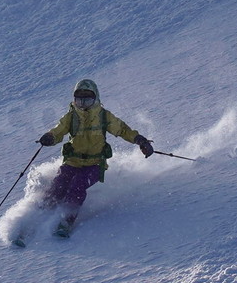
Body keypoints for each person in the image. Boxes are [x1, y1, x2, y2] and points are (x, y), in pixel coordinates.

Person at [37, 78, 153, 235]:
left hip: (95, 164)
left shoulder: (104, 116)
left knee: (78, 185)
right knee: (59, 184)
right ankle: (39, 213)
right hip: (73, 161)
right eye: (79, 100)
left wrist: (140, 140)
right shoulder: (71, 117)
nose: (83, 104)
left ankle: (66, 220)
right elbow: (59, 130)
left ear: (96, 98)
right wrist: (50, 137)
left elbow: (123, 130)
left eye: (87, 100)